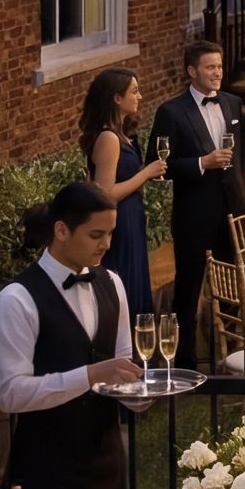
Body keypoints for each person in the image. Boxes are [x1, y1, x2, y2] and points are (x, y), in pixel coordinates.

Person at [0, 182, 141, 489]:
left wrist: (138, 394)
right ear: (60, 230)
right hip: (47, 473)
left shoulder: (113, 284)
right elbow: (10, 394)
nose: (106, 245)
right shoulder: (16, 301)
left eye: (110, 234)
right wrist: (89, 375)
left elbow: (122, 365)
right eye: (96, 235)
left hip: (106, 465)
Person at [150, 40, 245, 369]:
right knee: (188, 289)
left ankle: (230, 352)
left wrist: (244, 204)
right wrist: (202, 162)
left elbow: (242, 159)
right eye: (210, 67)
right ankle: (185, 361)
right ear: (192, 71)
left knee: (233, 283)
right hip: (193, 214)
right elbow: (158, 167)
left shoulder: (233, 104)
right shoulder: (171, 112)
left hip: (231, 211)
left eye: (219, 66)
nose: (217, 72)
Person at [79, 68, 166, 319]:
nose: (139, 97)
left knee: (137, 280)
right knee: (124, 284)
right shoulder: (108, 138)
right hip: (119, 223)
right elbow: (104, 193)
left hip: (132, 218)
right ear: (117, 98)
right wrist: (145, 173)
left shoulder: (122, 135)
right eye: (134, 91)